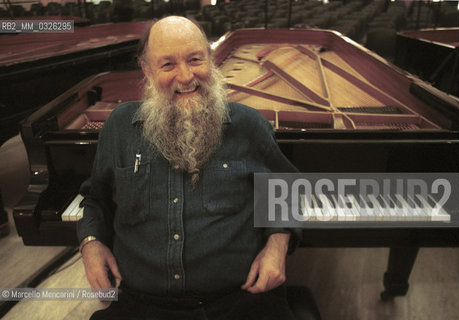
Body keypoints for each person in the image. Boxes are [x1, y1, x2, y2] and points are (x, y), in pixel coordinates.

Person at [78, 16, 300, 320]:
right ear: (146, 69)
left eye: (195, 60)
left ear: (211, 60)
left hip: (239, 302)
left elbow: (287, 190)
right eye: (167, 65)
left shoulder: (248, 125)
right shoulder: (119, 127)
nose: (185, 76)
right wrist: (90, 243)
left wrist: (277, 245)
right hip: (142, 306)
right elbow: (95, 200)